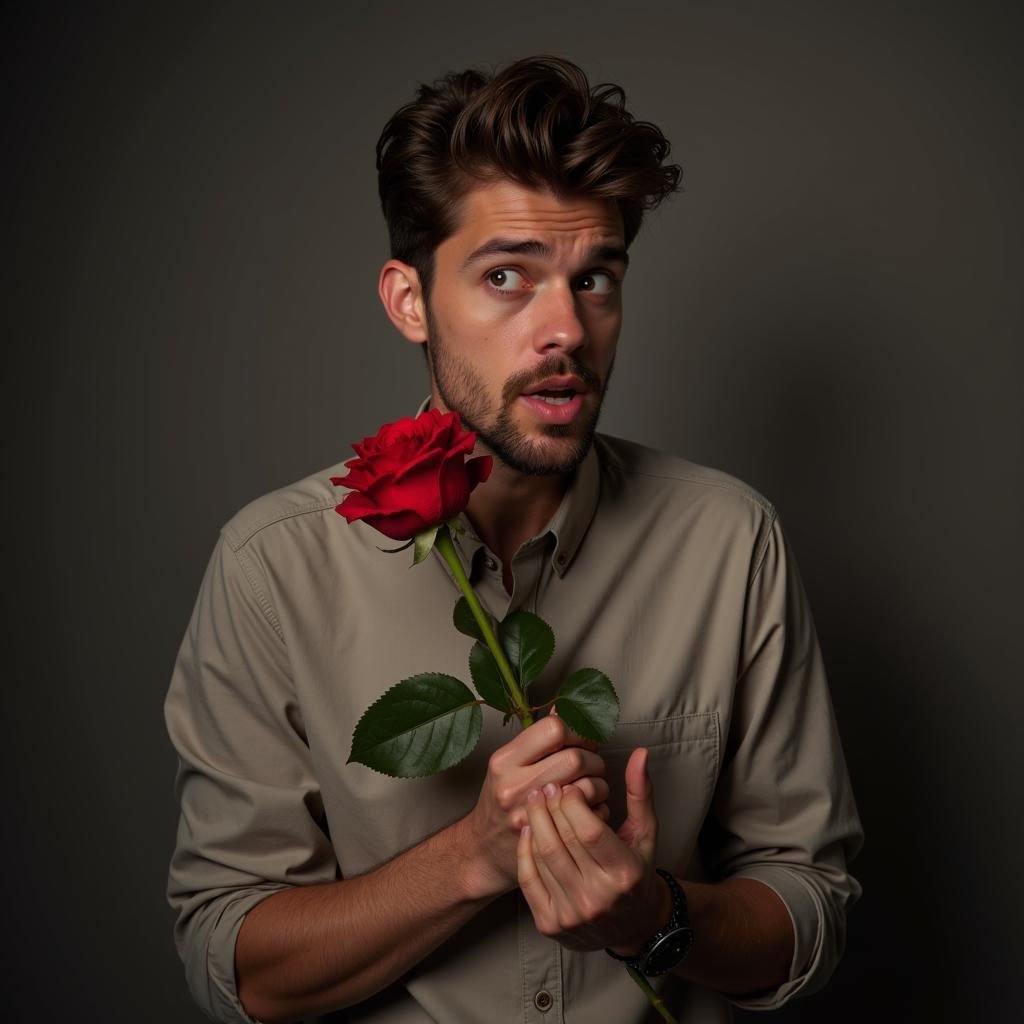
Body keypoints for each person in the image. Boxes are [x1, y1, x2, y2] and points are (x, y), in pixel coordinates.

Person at [165, 55, 863, 1024]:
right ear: (409, 299)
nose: (566, 330)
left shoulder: (727, 538)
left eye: (596, 278)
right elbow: (235, 964)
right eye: (507, 276)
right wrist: (473, 857)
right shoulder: (273, 565)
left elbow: (809, 906)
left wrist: (651, 917)